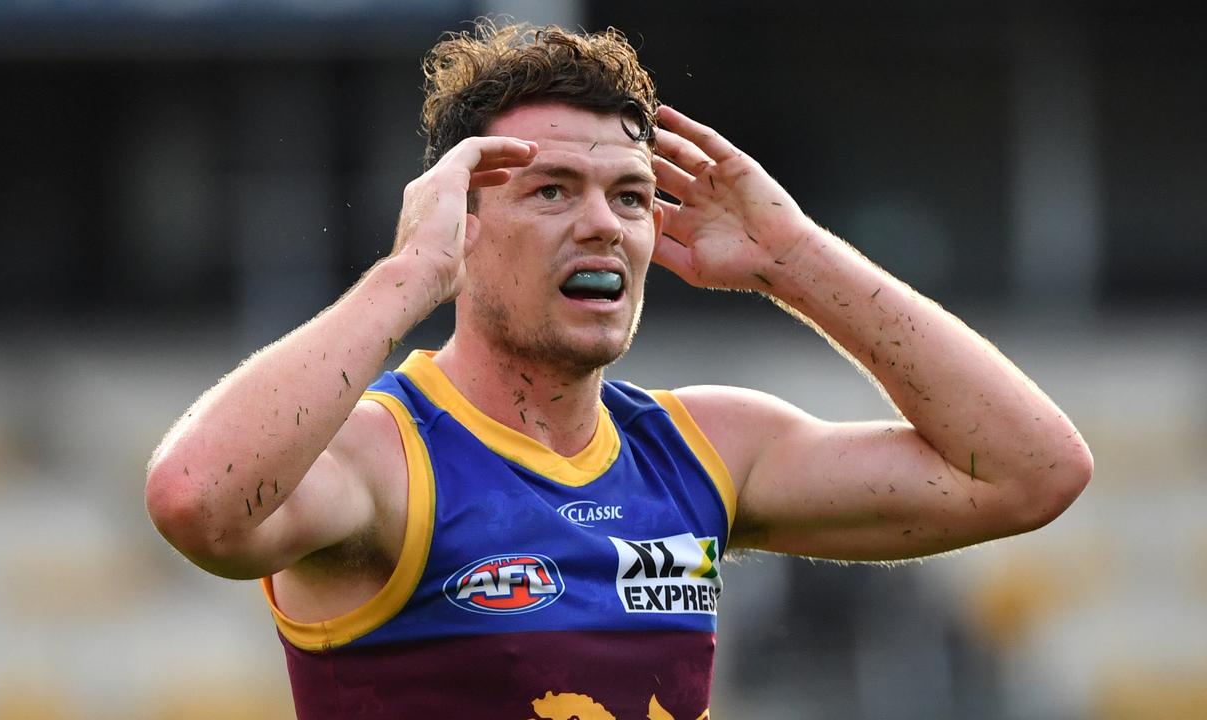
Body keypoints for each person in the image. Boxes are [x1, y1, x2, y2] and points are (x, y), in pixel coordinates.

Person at [145, 21, 1092, 719]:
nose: (603, 222)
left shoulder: (705, 451)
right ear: (459, 223)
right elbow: (196, 498)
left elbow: (1029, 471)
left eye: (631, 195)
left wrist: (795, 257)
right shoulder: (381, 461)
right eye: (552, 189)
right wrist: (406, 277)